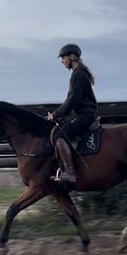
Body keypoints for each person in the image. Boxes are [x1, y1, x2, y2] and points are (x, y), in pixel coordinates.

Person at [45, 43, 98, 183]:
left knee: (60, 136)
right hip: (81, 114)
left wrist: (55, 114)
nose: (62, 61)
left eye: (63, 57)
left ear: (72, 57)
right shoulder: (78, 73)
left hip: (85, 115)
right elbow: (71, 100)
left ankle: (69, 172)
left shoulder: (79, 74)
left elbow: (73, 100)